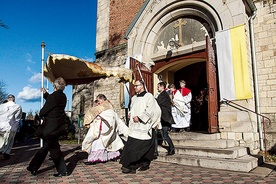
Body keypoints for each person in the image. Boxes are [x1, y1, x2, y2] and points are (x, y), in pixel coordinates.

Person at [27, 77, 69, 177]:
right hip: (58, 126)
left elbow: (44, 110)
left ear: (54, 86)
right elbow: (53, 102)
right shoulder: (63, 96)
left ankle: (63, 171)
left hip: (50, 128)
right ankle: (33, 167)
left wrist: (40, 114)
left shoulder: (53, 97)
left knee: (54, 150)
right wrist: (45, 94)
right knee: (46, 147)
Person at [119, 79, 161, 174]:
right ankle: (130, 165)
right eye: (134, 86)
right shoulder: (134, 98)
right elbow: (133, 108)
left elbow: (151, 110)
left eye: (136, 86)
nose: (134, 87)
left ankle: (137, 164)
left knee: (141, 146)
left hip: (144, 126)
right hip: (135, 127)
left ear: (142, 86)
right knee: (131, 145)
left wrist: (141, 118)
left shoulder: (149, 96)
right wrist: (130, 113)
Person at [82, 94, 129, 165]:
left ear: (102, 99)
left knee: (98, 143)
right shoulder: (103, 106)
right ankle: (108, 157)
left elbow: (108, 115)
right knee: (105, 143)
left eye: (99, 100)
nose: (98, 102)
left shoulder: (106, 106)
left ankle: (95, 159)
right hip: (101, 127)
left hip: (105, 127)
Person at [0, 94, 22, 160]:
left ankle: (2, 150)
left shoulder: (1, 106)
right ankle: (6, 152)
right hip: (11, 126)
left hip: (1, 126)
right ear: (14, 99)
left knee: (1, 140)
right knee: (9, 141)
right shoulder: (17, 106)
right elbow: (18, 117)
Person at [156, 81, 175, 156]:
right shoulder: (161, 94)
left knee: (165, 135)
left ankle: (172, 148)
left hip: (165, 118)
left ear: (162, 87)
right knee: (163, 135)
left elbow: (157, 102)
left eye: (158, 86)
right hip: (163, 118)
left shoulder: (164, 95)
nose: (157, 88)